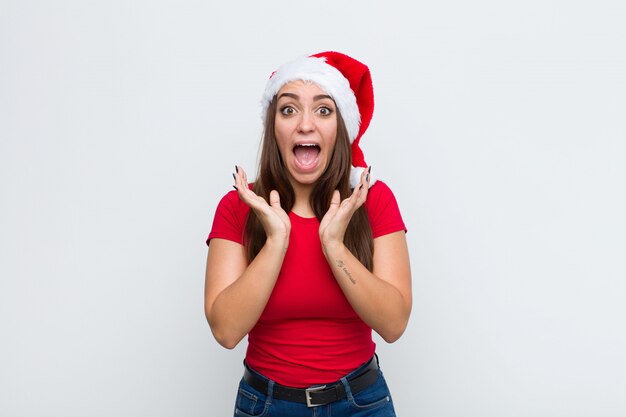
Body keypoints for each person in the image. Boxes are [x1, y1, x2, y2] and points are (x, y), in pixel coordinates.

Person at [204, 51, 412, 417]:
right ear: (274, 127)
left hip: (361, 404)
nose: (304, 125)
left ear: (341, 128)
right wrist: (276, 242)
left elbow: (393, 324)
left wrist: (334, 246)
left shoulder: (373, 199)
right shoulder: (238, 206)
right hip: (266, 405)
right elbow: (226, 330)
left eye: (323, 110)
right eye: (288, 110)